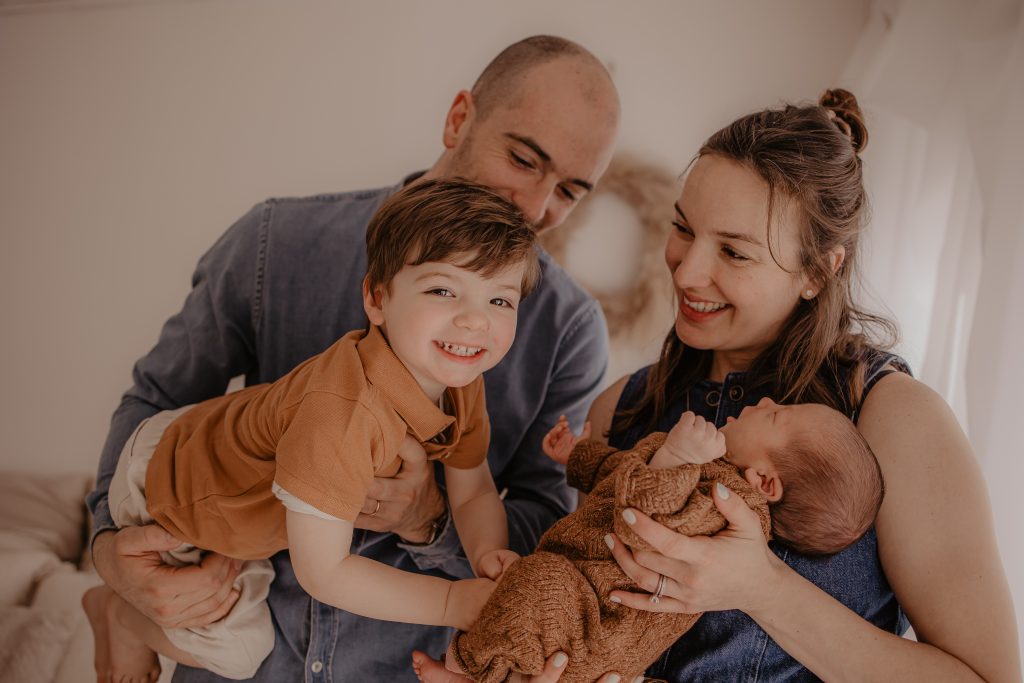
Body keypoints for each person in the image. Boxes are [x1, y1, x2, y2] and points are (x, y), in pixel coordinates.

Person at [414, 90, 1021, 682]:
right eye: (685, 228)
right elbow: (585, 611)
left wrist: (766, 589)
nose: (688, 269)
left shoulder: (891, 415)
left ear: (817, 270)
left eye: (734, 251)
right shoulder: (621, 407)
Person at [86, 35, 620, 682]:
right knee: (234, 642)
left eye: (569, 190)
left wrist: (439, 526)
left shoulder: (548, 335)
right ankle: (112, 611)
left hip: (392, 657)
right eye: (523, 158)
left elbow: (536, 515)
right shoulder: (275, 246)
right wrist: (109, 551)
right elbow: (156, 397)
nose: (535, 209)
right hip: (187, 493)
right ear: (459, 119)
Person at [81, 179, 533, 682]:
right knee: (240, 651)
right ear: (377, 299)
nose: (475, 322)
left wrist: (490, 561)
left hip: (226, 476)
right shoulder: (345, 412)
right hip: (170, 484)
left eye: (500, 300)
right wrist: (453, 602)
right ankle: (118, 614)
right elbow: (325, 572)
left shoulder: (461, 379)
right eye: (442, 290)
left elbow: (472, 490)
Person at [446, 398, 883, 682]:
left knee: (537, 586)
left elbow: (642, 519)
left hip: (595, 621)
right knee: (522, 593)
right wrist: (576, 456)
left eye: (775, 415)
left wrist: (676, 457)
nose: (765, 401)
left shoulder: (726, 509)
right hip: (583, 597)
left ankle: (468, 665)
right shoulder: (711, 467)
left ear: (765, 483)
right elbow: (624, 473)